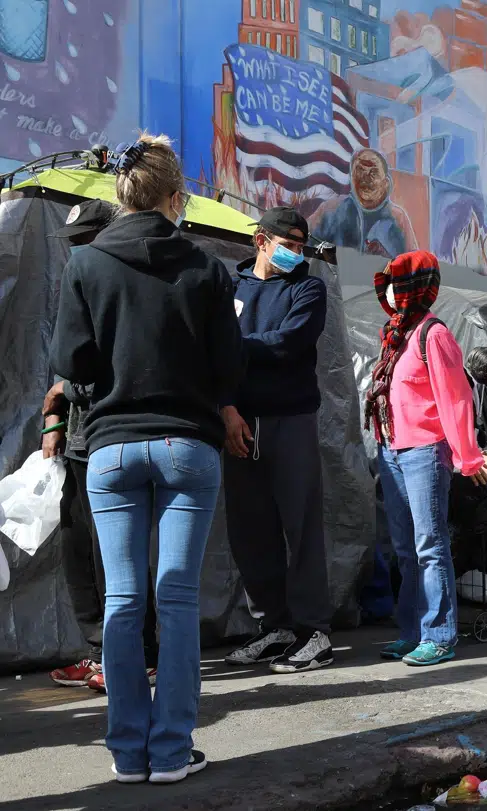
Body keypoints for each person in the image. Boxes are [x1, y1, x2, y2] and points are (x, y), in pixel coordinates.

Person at [50, 134, 243, 783]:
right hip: (187, 443)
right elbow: (229, 370)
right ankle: (170, 751)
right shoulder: (208, 266)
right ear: (175, 196)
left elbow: (71, 362)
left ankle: (128, 749)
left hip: (109, 448)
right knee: (177, 597)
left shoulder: (87, 264)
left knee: (124, 601)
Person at [44, 199, 160, 694]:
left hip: (113, 440)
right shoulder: (80, 282)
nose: (76, 251)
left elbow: (108, 365)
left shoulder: (126, 284)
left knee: (116, 554)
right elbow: (66, 365)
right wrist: (52, 418)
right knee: (78, 552)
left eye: (83, 240)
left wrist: (65, 391)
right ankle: (100, 651)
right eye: (72, 243)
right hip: (78, 443)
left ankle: (141, 655)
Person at [365, 251, 487, 667]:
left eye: (396, 280)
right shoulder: (394, 334)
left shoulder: (433, 334)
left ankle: (439, 634)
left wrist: (468, 457)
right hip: (390, 450)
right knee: (405, 548)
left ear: (414, 287)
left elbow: (455, 398)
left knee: (430, 546)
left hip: (425, 452)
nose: (388, 288)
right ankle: (411, 632)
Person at [218, 207, 334, 674]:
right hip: (239, 422)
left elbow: (290, 341)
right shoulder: (231, 287)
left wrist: (232, 348)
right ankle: (275, 628)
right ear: (260, 241)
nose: (296, 253)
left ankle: (315, 632)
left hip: (290, 420)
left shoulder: (308, 287)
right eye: (288, 245)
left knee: (301, 525)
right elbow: (214, 354)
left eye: (302, 246)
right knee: (249, 529)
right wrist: (226, 409)